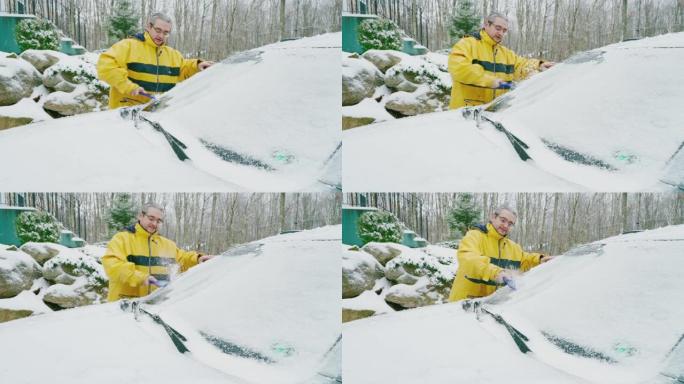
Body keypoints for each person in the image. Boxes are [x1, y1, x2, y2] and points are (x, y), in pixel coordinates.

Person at [97, 12, 215, 109]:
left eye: (165, 33)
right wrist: (128, 86)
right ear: (149, 27)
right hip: (127, 115)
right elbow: (105, 67)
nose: (161, 36)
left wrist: (198, 65)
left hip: (156, 119)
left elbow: (183, 68)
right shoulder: (128, 46)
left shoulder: (172, 54)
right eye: (158, 30)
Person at [102, 202, 214, 301]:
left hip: (155, 309)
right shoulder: (121, 239)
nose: (155, 224)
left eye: (158, 221)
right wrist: (141, 277)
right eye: (151, 218)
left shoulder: (167, 244)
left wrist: (198, 259)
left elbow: (182, 259)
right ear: (140, 216)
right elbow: (113, 266)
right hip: (125, 307)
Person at [448, 12, 555, 110]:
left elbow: (522, 65)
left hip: (492, 119)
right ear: (486, 25)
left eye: (504, 30)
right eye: (498, 28)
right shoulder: (467, 44)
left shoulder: (505, 54)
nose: (501, 33)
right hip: (466, 115)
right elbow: (459, 68)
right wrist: (489, 81)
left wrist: (539, 65)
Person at [448, 205, 554, 302]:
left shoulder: (513, 247)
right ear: (493, 217)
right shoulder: (474, 236)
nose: (506, 226)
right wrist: (496, 272)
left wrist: (540, 259)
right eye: (503, 220)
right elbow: (469, 259)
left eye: (510, 224)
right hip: (463, 305)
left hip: (489, 309)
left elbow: (525, 259)